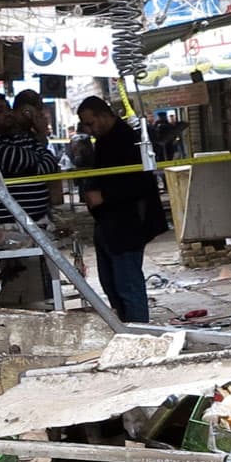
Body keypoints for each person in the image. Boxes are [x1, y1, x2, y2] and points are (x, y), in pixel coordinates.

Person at [73, 95, 165, 323]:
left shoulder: (128, 140)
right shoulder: (104, 142)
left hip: (128, 223)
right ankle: (127, 327)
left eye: (91, 123)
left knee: (127, 283)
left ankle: (140, 332)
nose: (89, 129)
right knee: (111, 282)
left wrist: (104, 196)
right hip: (108, 223)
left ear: (104, 115)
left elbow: (140, 183)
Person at [0, 98, 61, 305]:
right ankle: (1, 327)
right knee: (16, 279)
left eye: (8, 109)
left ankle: (32, 324)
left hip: (34, 222)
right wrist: (35, 162)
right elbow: (16, 160)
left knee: (34, 279)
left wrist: (34, 161)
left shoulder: (27, 139)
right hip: (9, 225)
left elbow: (51, 164)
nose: (7, 114)